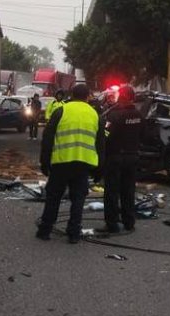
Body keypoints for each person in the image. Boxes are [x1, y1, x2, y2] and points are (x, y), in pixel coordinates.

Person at [37, 83, 105, 243]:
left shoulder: (61, 111)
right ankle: (74, 233)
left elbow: (47, 139)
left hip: (61, 162)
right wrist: (99, 170)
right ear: (88, 96)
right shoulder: (95, 115)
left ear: (71, 95)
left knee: (53, 197)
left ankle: (45, 229)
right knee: (78, 199)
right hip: (83, 164)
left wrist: (44, 162)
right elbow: (100, 145)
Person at [99, 85, 143, 234]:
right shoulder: (138, 114)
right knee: (128, 190)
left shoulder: (115, 115)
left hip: (115, 157)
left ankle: (112, 225)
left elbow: (105, 135)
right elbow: (144, 135)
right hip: (132, 157)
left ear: (122, 96)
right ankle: (129, 222)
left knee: (112, 192)